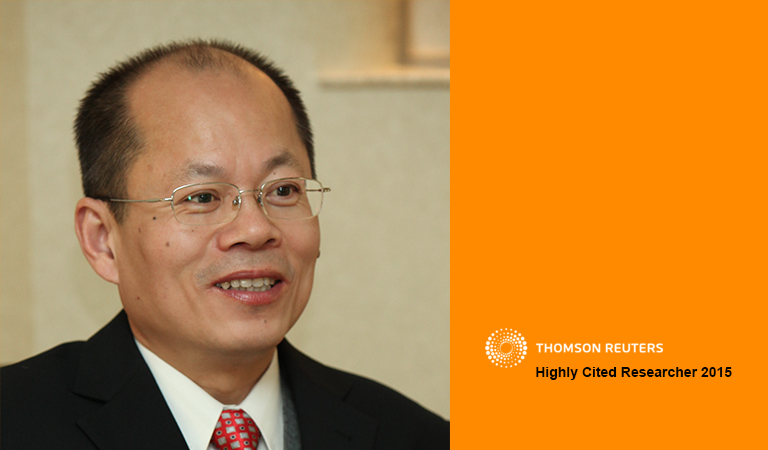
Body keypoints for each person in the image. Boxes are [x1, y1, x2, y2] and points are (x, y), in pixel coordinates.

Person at [0, 39, 448, 450]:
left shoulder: (416, 437)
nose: (255, 229)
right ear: (102, 240)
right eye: (201, 197)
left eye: (283, 190)